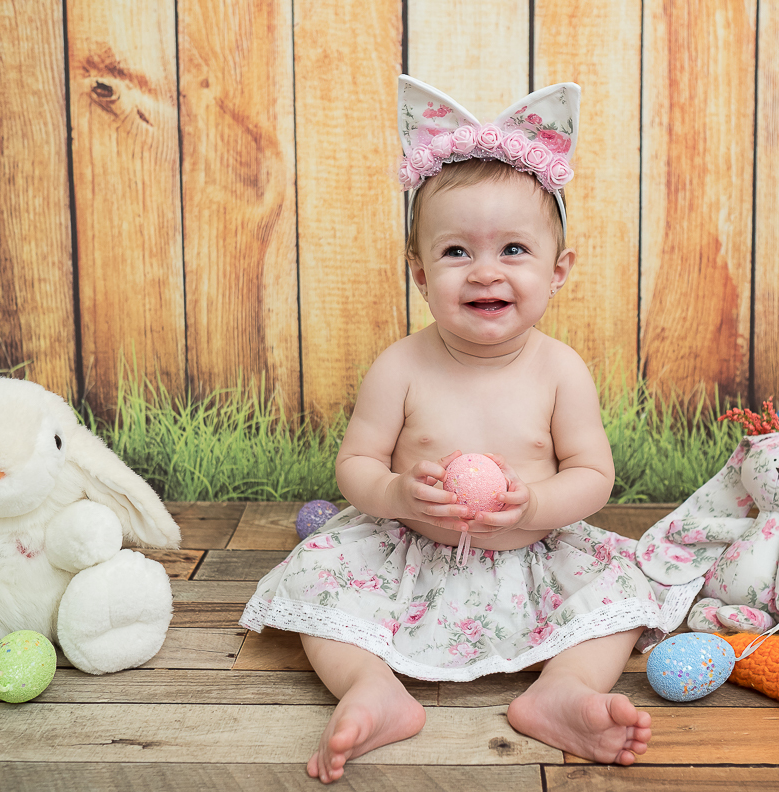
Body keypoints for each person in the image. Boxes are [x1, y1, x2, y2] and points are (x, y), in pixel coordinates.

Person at [240, 76, 701, 783]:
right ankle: (371, 687)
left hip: (536, 555)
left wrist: (539, 506)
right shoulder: (401, 365)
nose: (485, 271)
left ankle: (563, 690)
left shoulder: (561, 370)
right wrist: (394, 492)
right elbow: (356, 463)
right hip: (413, 552)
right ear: (421, 275)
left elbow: (593, 474)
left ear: (559, 271)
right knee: (314, 585)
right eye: (457, 253)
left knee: (620, 598)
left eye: (514, 249)